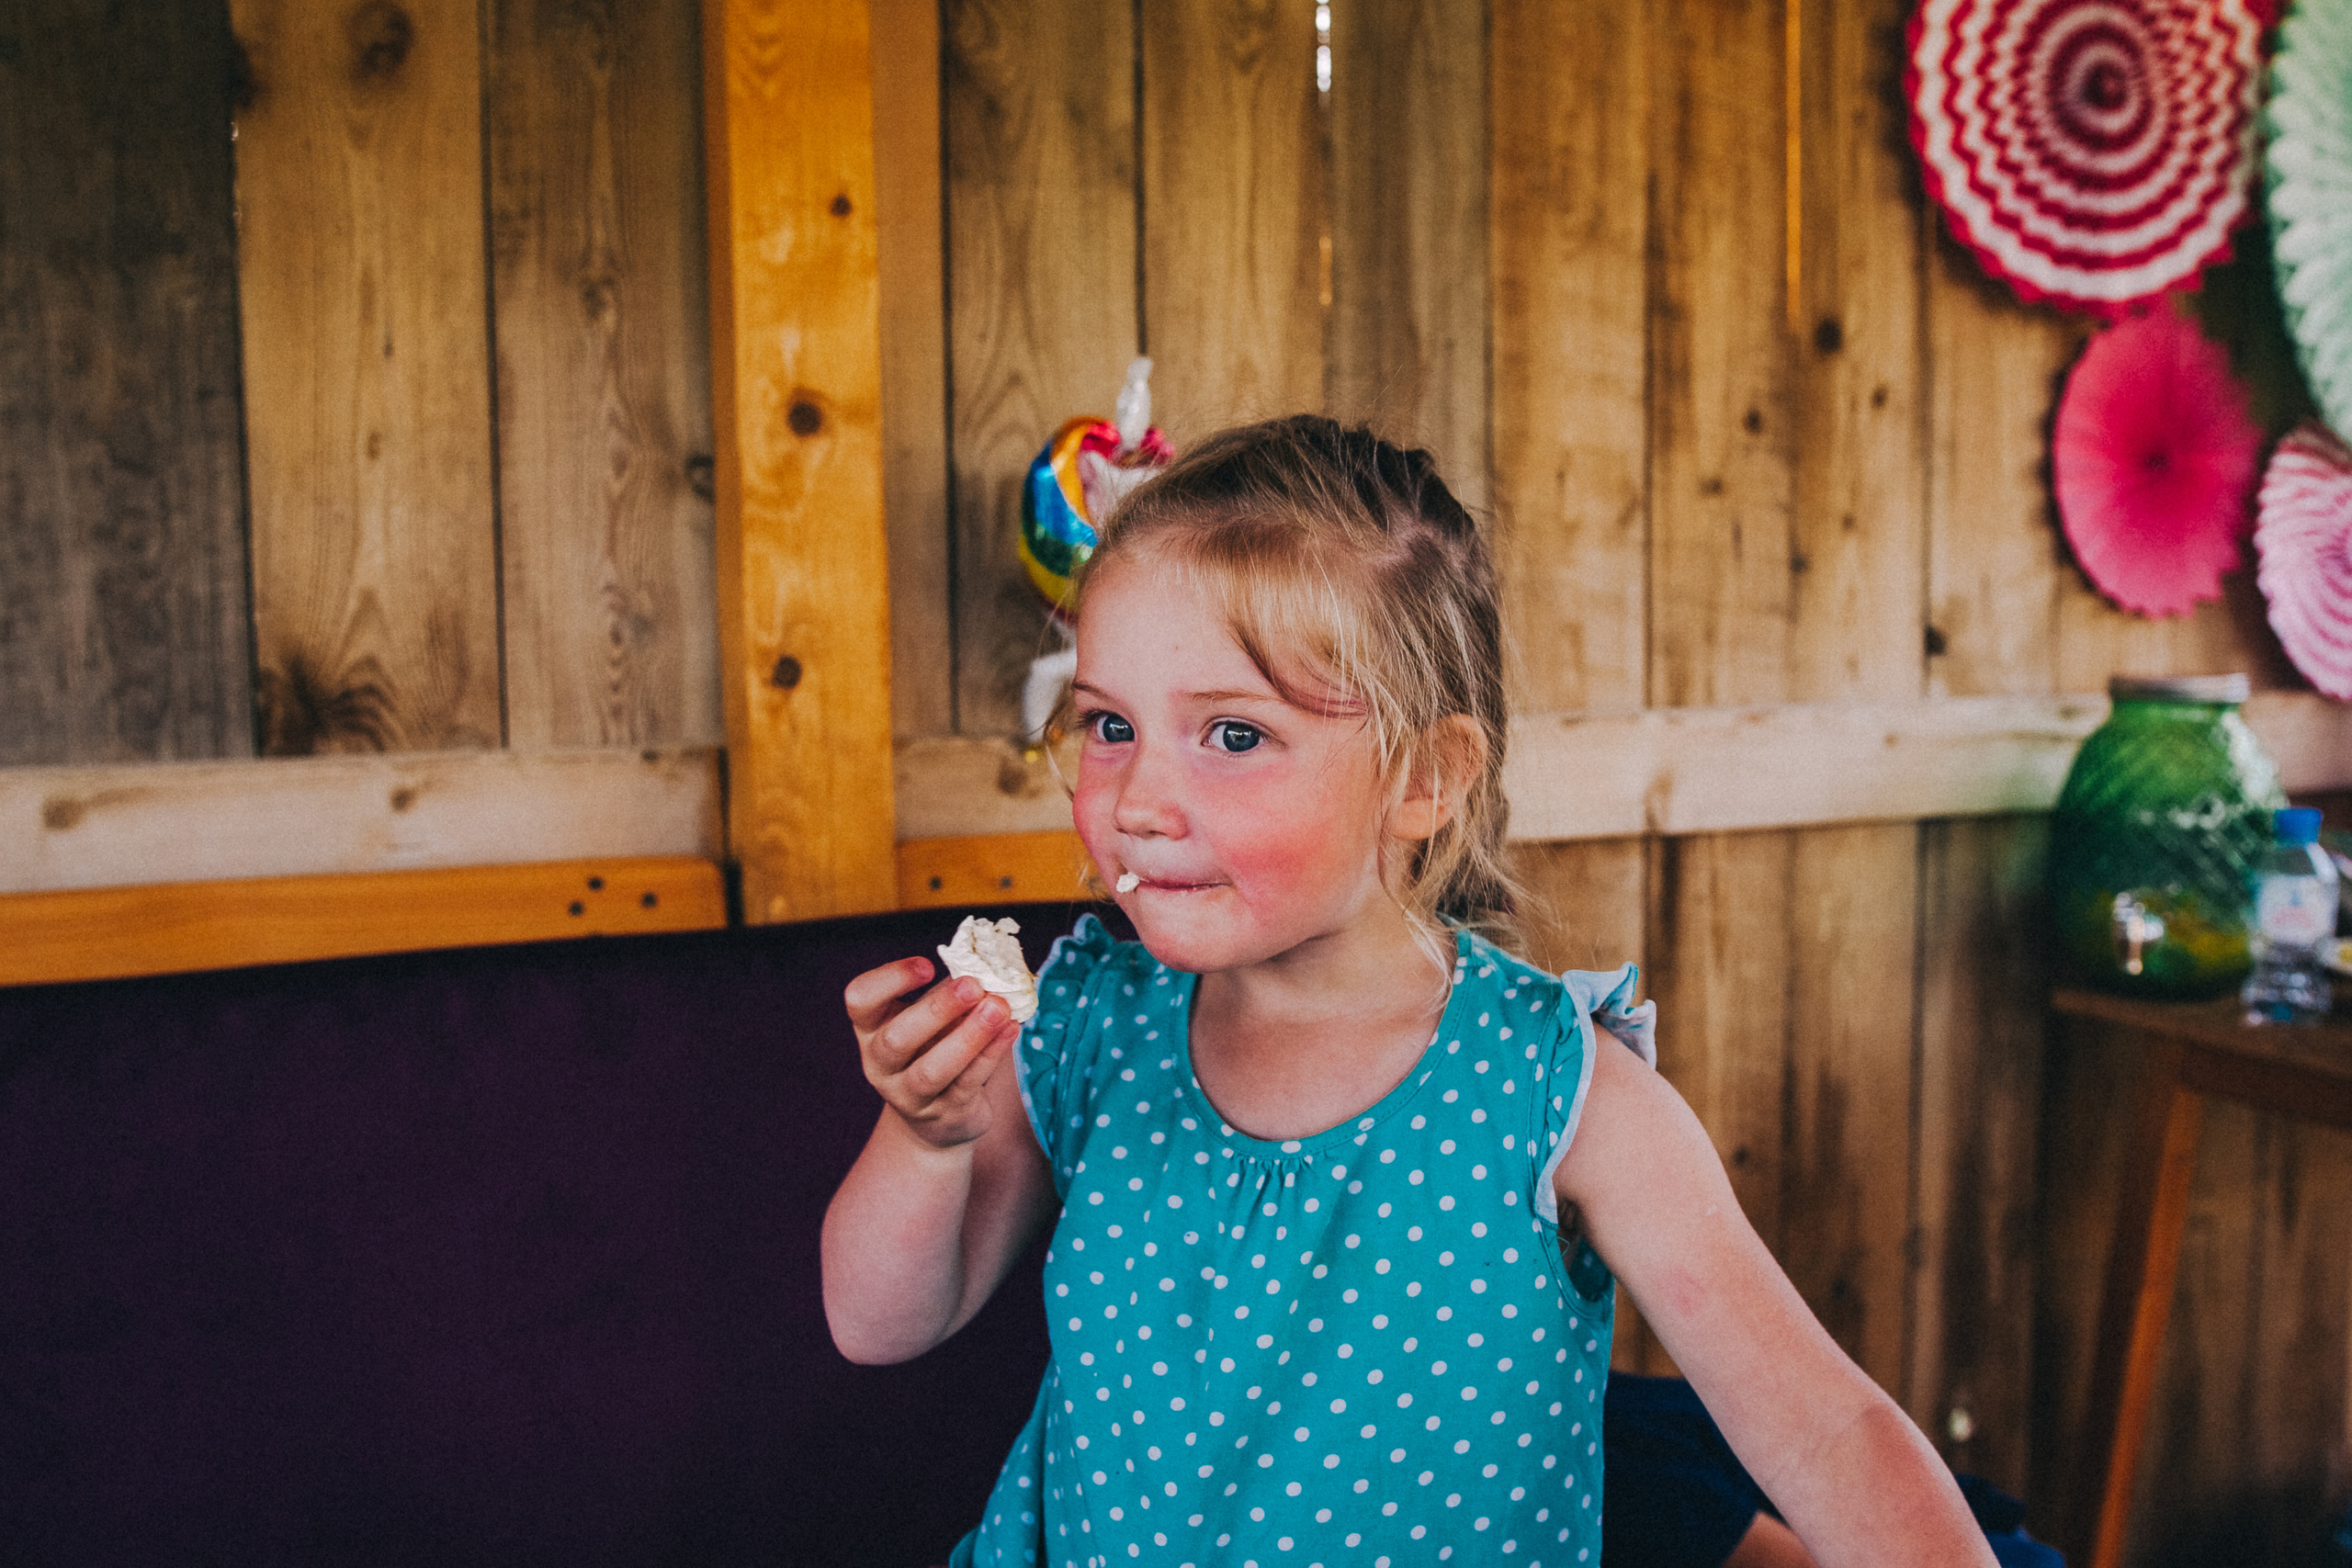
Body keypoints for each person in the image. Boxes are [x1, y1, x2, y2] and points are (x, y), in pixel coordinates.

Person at [821, 417, 1997, 1568]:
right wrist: (926, 1138)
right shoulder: (1085, 1025)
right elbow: (878, 1325)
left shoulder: (1560, 1094)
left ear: (1424, 778)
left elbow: (1827, 1433)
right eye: (1110, 726)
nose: (1135, 799)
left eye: (1233, 734)